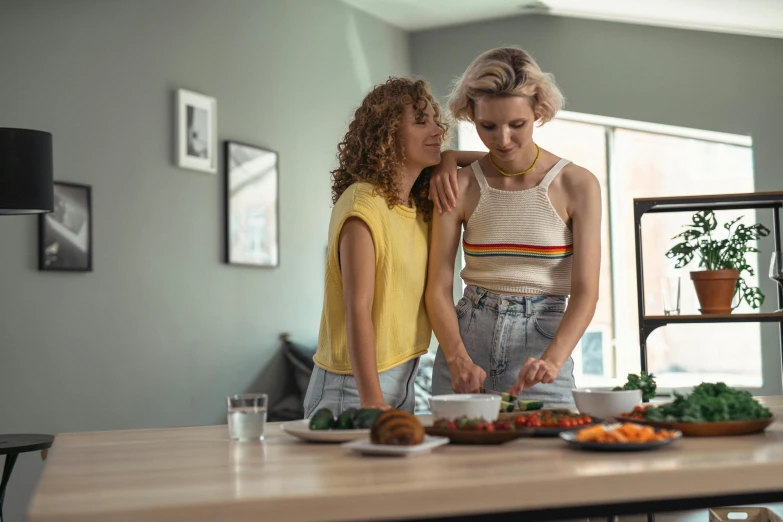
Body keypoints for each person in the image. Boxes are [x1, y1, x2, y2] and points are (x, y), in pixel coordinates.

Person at [424, 47, 602, 408]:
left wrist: (553, 360)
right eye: (487, 126)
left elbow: (586, 293)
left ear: (538, 111)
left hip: (542, 346)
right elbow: (437, 288)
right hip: (466, 343)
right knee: (455, 464)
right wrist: (457, 358)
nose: (502, 139)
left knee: (547, 460)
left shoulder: (577, 185)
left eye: (516, 125)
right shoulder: (459, 186)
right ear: (470, 113)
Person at [303, 77, 448, 417]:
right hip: (353, 387)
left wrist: (451, 157)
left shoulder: (417, 207)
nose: (438, 131)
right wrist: (371, 399)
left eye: (436, 121)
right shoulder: (363, 204)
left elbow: (493, 164)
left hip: (404, 380)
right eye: (421, 121)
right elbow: (358, 307)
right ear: (388, 133)